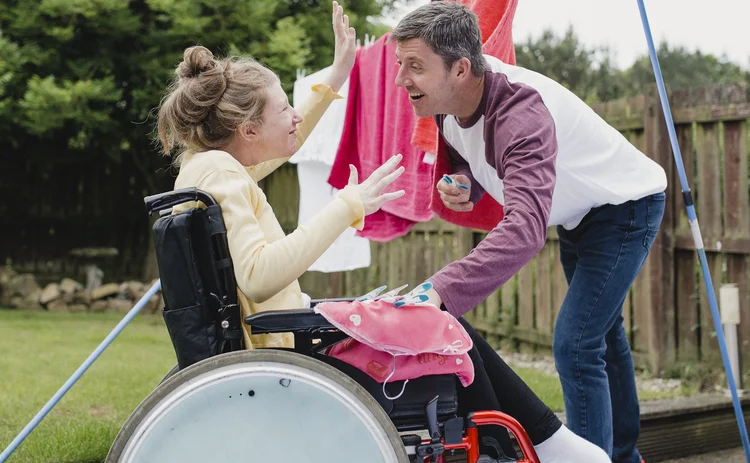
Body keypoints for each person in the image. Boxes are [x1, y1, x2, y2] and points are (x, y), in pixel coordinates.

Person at [155, 2, 608, 462]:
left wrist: (337, 74)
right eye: (284, 107)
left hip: (286, 331)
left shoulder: (211, 166)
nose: (294, 116)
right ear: (248, 129)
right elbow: (257, 275)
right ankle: (542, 447)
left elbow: (292, 139)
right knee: (443, 327)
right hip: (289, 342)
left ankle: (535, 445)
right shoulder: (223, 173)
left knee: (445, 325)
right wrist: (348, 206)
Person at [390, 3, 667, 463]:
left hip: (625, 207)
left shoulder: (521, 112)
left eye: (415, 66)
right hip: (578, 212)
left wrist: (441, 289)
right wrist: (468, 181)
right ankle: (623, 455)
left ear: (460, 69)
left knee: (577, 344)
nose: (402, 79)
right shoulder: (445, 104)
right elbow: (480, 151)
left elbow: (523, 229)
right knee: (603, 334)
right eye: (401, 64)